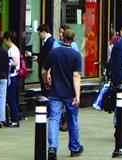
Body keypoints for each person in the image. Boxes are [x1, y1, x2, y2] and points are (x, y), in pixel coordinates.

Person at [43, 29, 84, 159]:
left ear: (62, 38)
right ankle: (75, 147)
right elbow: (76, 76)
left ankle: (52, 148)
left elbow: (44, 70)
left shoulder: (54, 53)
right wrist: (78, 95)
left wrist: (46, 82)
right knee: (73, 120)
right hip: (70, 92)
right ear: (72, 40)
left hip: (55, 91)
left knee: (54, 119)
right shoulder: (76, 55)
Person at [4, 30, 20, 127]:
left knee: (11, 99)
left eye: (5, 40)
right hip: (13, 76)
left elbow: (15, 62)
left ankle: (15, 119)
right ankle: (14, 118)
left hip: (12, 76)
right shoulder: (13, 49)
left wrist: (8, 62)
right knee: (11, 98)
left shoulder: (12, 50)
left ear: (8, 39)